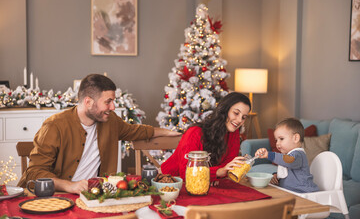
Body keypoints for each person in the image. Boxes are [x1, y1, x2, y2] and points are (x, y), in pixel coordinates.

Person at [17, 74, 180, 194]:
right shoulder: (54, 126)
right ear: (88, 102)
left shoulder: (110, 121)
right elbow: (35, 172)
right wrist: (69, 185)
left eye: (113, 101)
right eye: (108, 101)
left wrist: (166, 132)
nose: (113, 107)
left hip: (96, 197)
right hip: (59, 198)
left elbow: (135, 131)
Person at [161, 92, 251, 182]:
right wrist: (217, 173)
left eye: (243, 117)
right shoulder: (195, 133)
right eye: (236, 113)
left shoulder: (233, 134)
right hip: (171, 182)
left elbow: (228, 166)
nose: (239, 120)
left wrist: (213, 176)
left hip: (203, 183)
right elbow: (187, 172)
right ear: (225, 110)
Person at [255, 118, 318, 193]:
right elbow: (286, 171)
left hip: (303, 192)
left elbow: (289, 161)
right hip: (290, 192)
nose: (277, 143)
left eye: (281, 139)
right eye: (276, 140)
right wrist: (276, 176)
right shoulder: (287, 155)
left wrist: (269, 155)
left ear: (296, 138)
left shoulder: (298, 154)